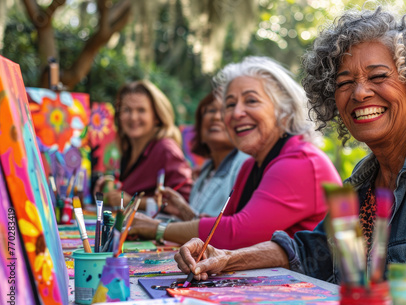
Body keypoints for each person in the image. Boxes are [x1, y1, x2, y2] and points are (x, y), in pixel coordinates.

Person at [173, 7, 406, 305]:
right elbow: (317, 251)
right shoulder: (366, 179)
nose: (359, 92)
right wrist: (225, 258)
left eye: (378, 76)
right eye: (344, 83)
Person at [128, 56, 342, 249]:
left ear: (283, 111)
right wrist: (182, 214)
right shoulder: (252, 165)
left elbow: (236, 233)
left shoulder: (301, 162)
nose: (236, 113)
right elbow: (223, 224)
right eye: (229, 104)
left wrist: (157, 228)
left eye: (251, 101)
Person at [157, 92, 249, 220]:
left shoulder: (245, 165)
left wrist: (183, 213)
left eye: (225, 110)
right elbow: (197, 224)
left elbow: (229, 231)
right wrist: (180, 211)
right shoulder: (206, 171)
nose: (216, 117)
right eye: (210, 110)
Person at [102, 79, 192, 208]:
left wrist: (133, 202)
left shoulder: (166, 149)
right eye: (127, 110)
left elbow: (186, 201)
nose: (133, 117)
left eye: (141, 110)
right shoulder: (126, 149)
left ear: (156, 116)